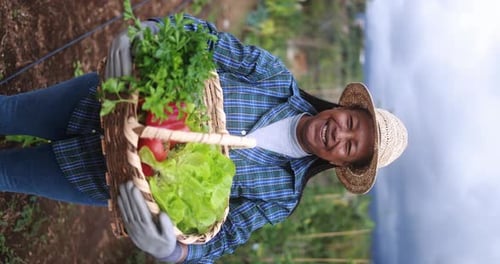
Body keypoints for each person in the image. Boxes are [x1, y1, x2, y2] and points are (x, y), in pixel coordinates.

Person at [0, 14, 408, 263]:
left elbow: (223, 237)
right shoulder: (274, 78)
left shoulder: (282, 195)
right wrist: (154, 32)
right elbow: (211, 44)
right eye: (351, 122)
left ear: (341, 163)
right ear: (341, 107)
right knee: (10, 113)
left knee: (10, 176)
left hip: (102, 175)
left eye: (351, 146)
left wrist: (172, 250)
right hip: (105, 99)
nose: (341, 134)